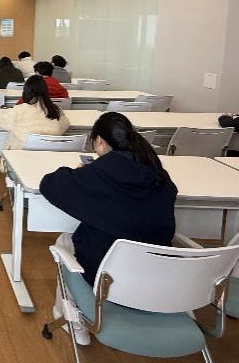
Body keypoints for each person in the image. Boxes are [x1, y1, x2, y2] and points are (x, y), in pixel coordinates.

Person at [40, 112, 177, 344]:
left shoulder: (100, 172)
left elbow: (50, 184)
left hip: (107, 277)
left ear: (101, 142)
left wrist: (82, 172)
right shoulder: (159, 175)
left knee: (65, 242)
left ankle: (74, 322)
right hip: (156, 276)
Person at [0, 76, 71, 149]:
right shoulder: (56, 110)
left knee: (12, 134)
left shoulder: (19, 110)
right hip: (50, 154)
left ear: (26, 91)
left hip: (19, 155)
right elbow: (65, 126)